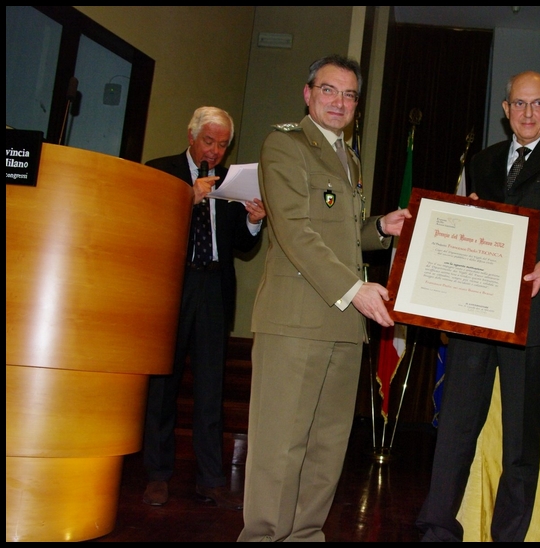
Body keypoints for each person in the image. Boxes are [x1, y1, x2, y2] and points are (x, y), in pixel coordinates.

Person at [416, 70, 540, 542]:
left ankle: (507, 537)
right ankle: (437, 527)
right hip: (475, 315)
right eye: (518, 104)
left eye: (537, 103)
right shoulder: (483, 161)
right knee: (455, 427)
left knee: (521, 442)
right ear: (505, 110)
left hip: (537, 318)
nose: (527, 113)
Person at [237, 54, 412, 542]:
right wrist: (355, 289)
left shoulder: (347, 155)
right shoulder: (285, 144)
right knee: (281, 446)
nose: (340, 102)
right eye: (329, 90)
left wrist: (378, 227)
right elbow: (295, 231)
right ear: (308, 93)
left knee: (326, 446)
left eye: (350, 94)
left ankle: (305, 536)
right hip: (295, 322)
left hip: (341, 325)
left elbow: (339, 235)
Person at [142, 106, 266, 510]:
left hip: (214, 285)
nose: (215, 151)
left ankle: (211, 477)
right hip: (173, 285)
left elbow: (243, 247)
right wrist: (187, 199)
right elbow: (150, 226)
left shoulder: (232, 183)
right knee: (164, 384)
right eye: (209, 141)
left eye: (223, 144)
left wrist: (253, 221)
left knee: (212, 386)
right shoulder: (160, 171)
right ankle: (157, 475)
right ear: (191, 136)